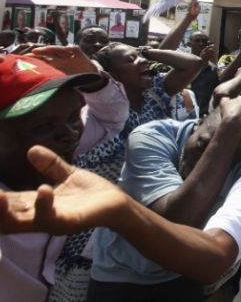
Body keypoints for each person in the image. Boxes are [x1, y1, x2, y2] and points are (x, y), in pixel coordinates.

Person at [0, 25, 241, 302]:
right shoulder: (160, 135)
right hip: (124, 282)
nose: (66, 133)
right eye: (239, 90)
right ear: (213, 100)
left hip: (181, 282)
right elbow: (187, 226)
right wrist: (231, 128)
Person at [50, 43, 208, 302]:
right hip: (98, 216)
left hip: (151, 205)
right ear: (111, 75)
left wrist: (146, 54)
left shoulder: (157, 93)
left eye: (140, 57)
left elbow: (192, 63)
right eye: (130, 60)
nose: (141, 62)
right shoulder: (95, 110)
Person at [86, 96, 241, 301]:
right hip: (123, 275)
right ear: (198, 122)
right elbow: (174, 223)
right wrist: (230, 126)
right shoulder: (151, 136)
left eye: (223, 161)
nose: (203, 164)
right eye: (204, 145)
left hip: (185, 273)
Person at [0, 47, 130, 302]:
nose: (70, 134)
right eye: (43, 126)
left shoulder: (58, 150)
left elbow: (111, 120)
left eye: (75, 116)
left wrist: (94, 78)